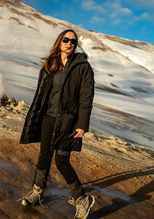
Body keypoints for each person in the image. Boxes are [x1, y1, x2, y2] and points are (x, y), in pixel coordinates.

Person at [19, 29, 95, 219]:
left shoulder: (83, 67)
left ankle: (82, 199)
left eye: (73, 41)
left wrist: (82, 124)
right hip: (48, 118)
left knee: (62, 160)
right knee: (44, 155)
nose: (70, 43)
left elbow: (86, 97)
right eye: (66, 40)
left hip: (67, 122)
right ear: (59, 42)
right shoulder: (50, 65)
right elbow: (41, 94)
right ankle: (37, 191)